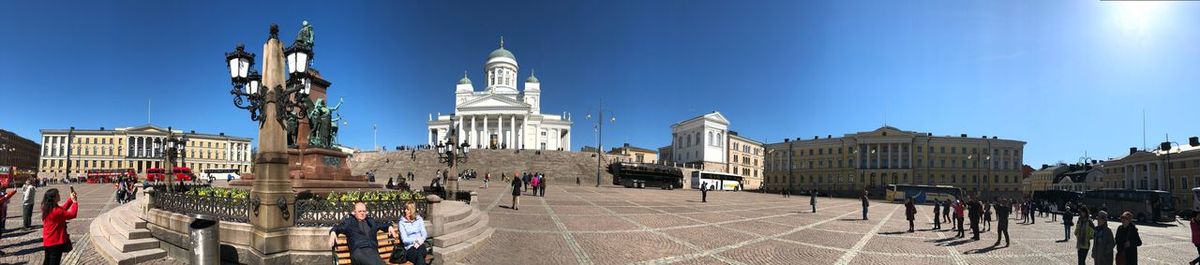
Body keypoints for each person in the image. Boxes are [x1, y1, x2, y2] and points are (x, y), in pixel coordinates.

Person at [328, 202, 394, 265]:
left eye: (364, 211)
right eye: (359, 211)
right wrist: (333, 232)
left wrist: (389, 226)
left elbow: (382, 225)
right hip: (358, 251)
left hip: (372, 250)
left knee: (374, 260)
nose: (362, 213)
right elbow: (338, 227)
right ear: (354, 212)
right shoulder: (349, 222)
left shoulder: (371, 221)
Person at [41, 188, 78, 265]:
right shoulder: (56, 211)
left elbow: (62, 209)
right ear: (54, 198)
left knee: (47, 261)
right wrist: (75, 202)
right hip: (56, 241)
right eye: (58, 194)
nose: (59, 195)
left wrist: (71, 199)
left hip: (48, 240)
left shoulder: (47, 207)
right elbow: (72, 214)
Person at [394, 201, 428, 265]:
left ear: (412, 210)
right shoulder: (402, 222)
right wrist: (416, 240)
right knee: (419, 257)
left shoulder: (419, 219)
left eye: (408, 209)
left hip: (421, 245)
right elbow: (404, 240)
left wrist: (421, 239)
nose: (405, 211)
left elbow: (424, 233)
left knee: (419, 254)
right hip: (409, 248)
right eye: (405, 209)